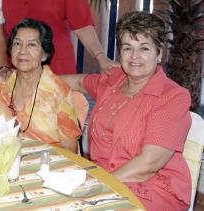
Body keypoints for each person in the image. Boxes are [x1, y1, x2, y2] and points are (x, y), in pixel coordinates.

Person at [62, 11, 191, 210]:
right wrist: (31, 77)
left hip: (151, 190)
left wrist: (96, 184)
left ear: (159, 54)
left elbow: (149, 165)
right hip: (105, 179)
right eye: (127, 48)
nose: (134, 57)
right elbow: (78, 82)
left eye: (144, 48)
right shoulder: (113, 79)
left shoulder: (173, 97)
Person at [0, 18, 81, 153]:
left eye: (32, 45)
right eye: (17, 43)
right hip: (2, 164)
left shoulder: (58, 92)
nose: (23, 51)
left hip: (45, 166)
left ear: (45, 54)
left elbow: (70, 149)